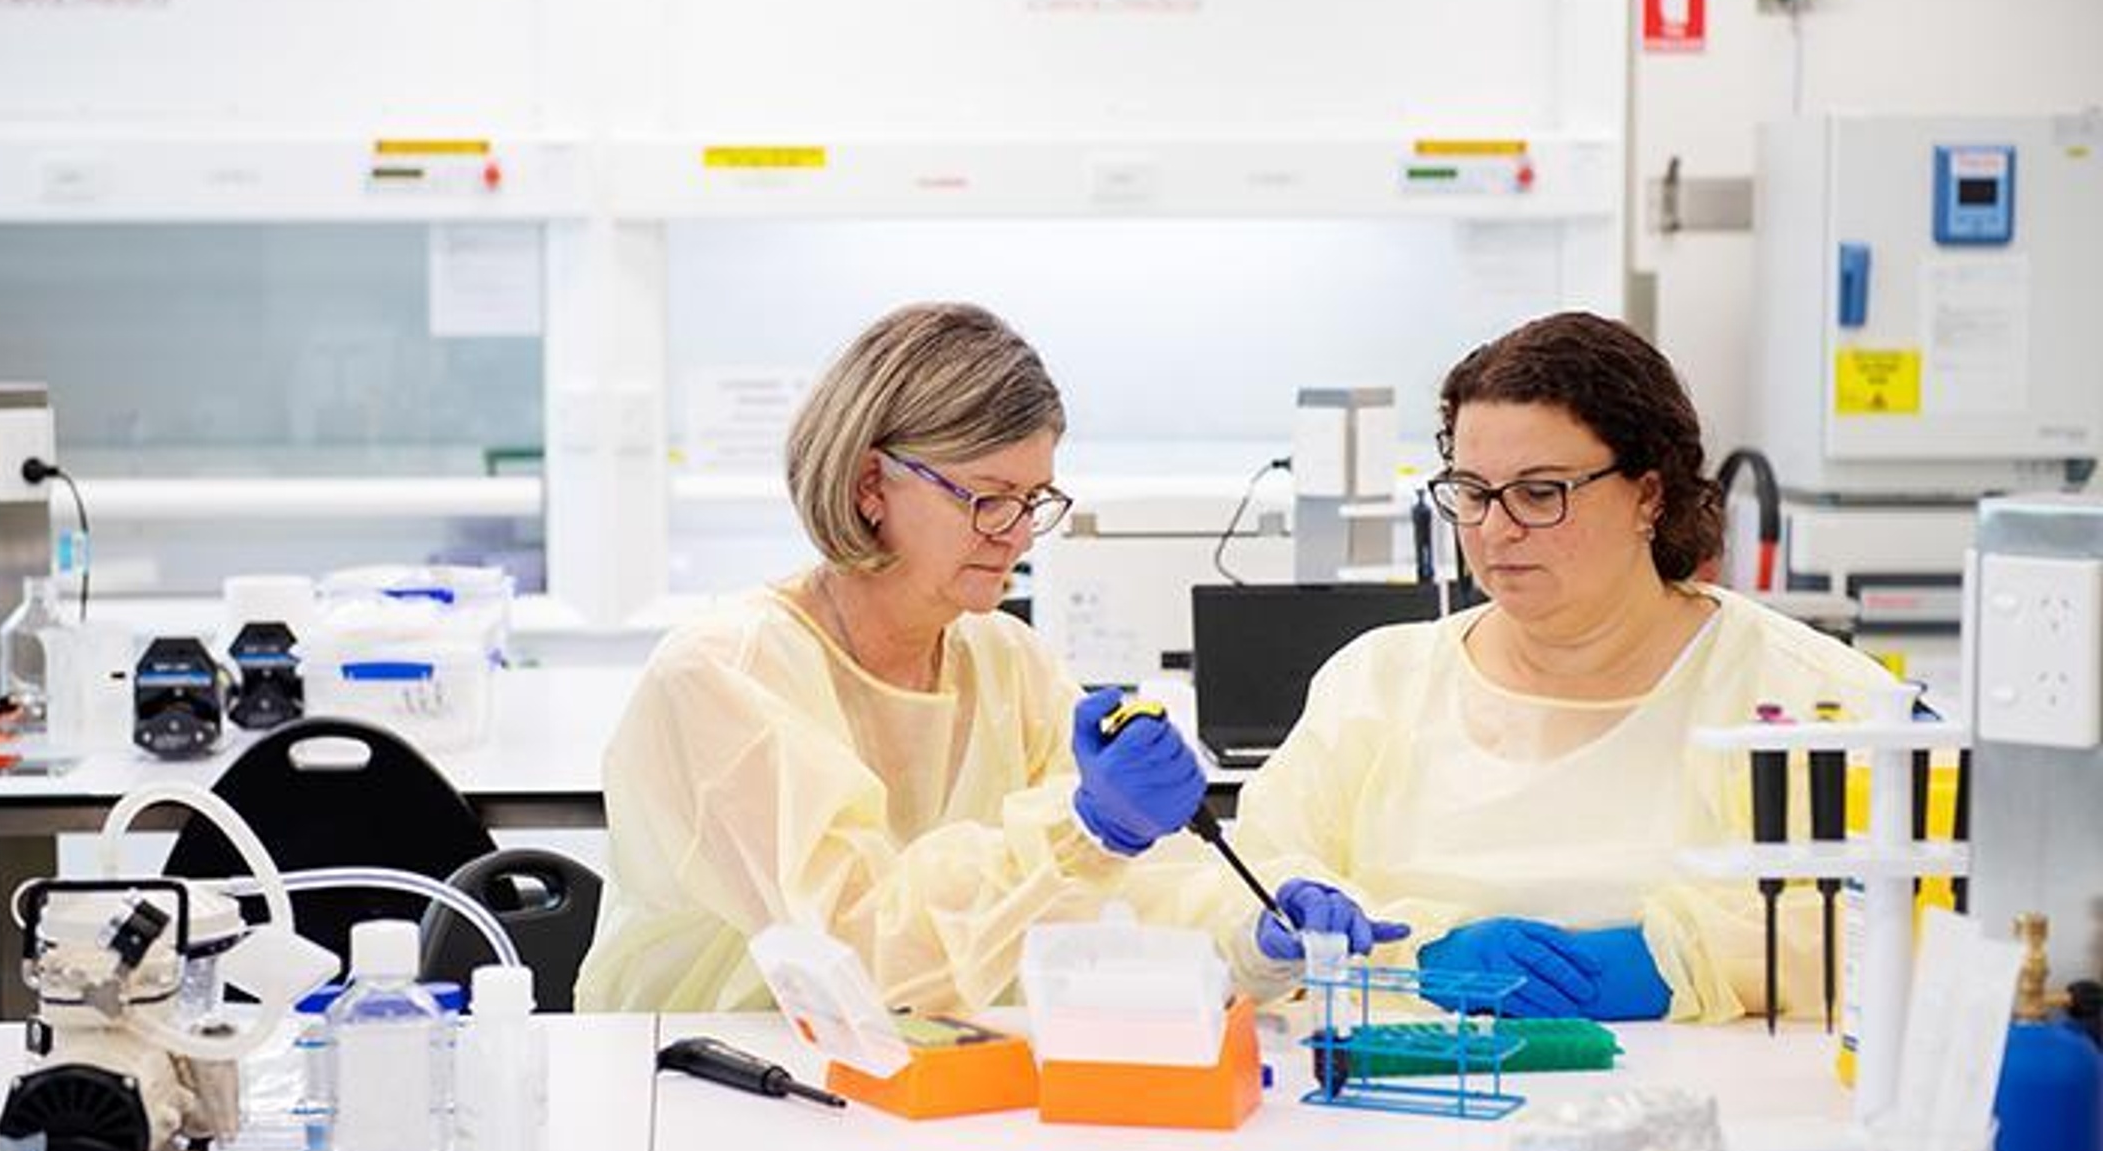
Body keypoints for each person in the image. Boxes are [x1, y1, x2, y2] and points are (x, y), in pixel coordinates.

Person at [1078, 311, 1897, 1023]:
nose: (1496, 531)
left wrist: (1674, 963)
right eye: (1472, 491)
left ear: (1650, 495)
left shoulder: (1809, 695)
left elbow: (1904, 919)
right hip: (1394, 1111)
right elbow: (1241, 885)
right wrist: (1394, 949)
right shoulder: (1380, 683)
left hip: (1697, 1133)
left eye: (1540, 493)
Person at [574, 302, 1209, 1013]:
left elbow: (1134, 892)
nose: (1018, 536)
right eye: (990, 499)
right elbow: (854, 957)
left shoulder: (1009, 664)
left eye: (1035, 500)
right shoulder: (723, 675)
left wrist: (1258, 930)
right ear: (870, 485)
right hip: (721, 1078)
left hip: (935, 1073)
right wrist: (1080, 830)